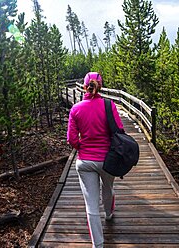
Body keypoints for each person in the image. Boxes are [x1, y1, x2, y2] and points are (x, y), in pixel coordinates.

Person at [67, 72, 124, 248]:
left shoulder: (76, 109)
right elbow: (120, 130)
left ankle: (97, 245)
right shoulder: (109, 105)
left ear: (85, 87)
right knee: (108, 188)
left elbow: (71, 139)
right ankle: (108, 213)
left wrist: (82, 147)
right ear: (100, 86)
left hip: (85, 162)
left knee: (91, 205)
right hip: (107, 160)